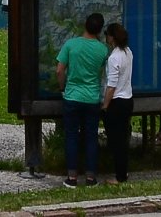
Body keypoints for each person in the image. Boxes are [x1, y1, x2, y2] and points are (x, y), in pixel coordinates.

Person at [54, 11, 107, 187]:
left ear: (85, 25)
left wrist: (62, 88)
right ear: (100, 30)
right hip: (92, 98)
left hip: (72, 97)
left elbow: (59, 70)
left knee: (71, 136)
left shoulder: (71, 45)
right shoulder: (102, 50)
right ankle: (91, 177)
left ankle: (72, 177)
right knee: (91, 137)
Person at [101, 21, 134, 184]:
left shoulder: (114, 57)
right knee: (123, 139)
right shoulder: (128, 52)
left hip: (116, 102)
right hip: (128, 99)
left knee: (116, 141)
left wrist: (105, 106)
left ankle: (119, 176)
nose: (105, 37)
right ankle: (123, 172)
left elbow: (111, 85)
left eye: (107, 34)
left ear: (112, 38)